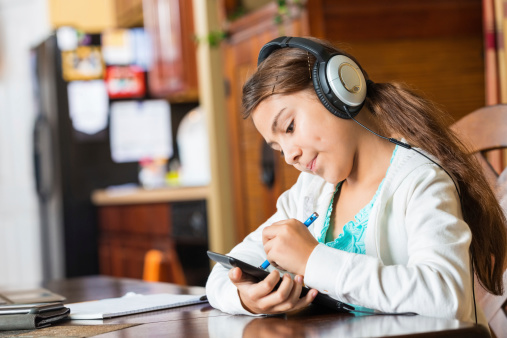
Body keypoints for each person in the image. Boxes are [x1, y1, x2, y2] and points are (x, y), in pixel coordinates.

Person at [205, 36, 507, 328]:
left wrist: (313, 260)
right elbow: (225, 270)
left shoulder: (420, 181)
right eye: (277, 147)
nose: (289, 155)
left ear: (338, 91)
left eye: (290, 126)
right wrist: (246, 298)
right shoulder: (310, 193)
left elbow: (445, 298)